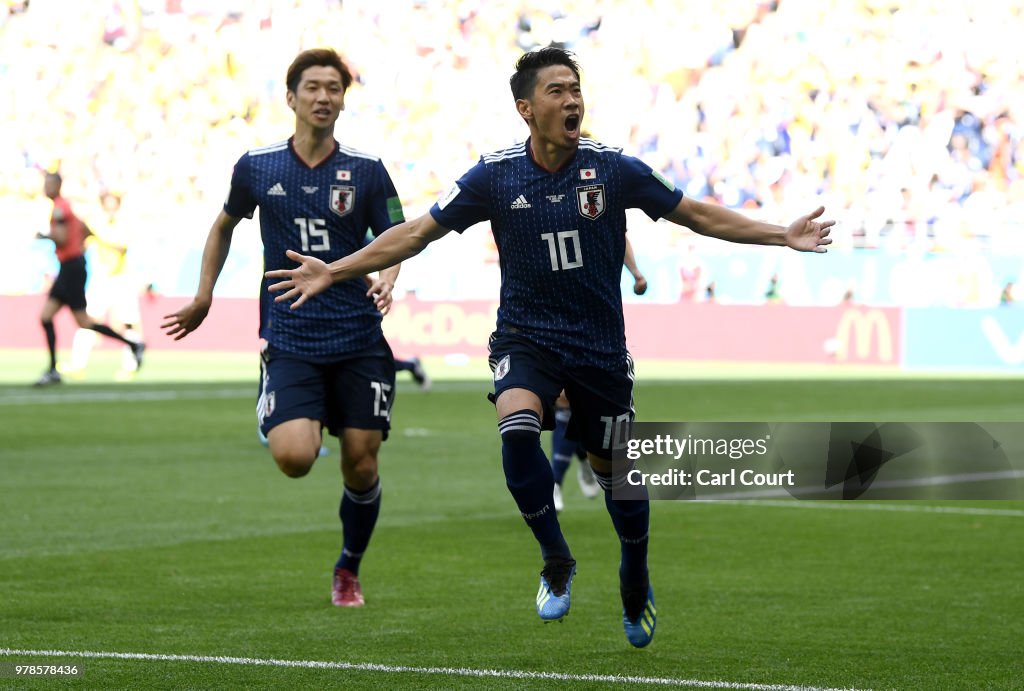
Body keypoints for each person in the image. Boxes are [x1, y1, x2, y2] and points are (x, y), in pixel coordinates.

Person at [265, 46, 833, 646]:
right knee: (515, 432)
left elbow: (695, 215)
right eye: (557, 91)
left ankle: (634, 571)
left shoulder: (614, 168)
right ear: (526, 108)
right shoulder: (495, 173)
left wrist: (780, 235)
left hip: (599, 349)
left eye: (575, 88)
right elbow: (416, 233)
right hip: (525, 338)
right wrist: (337, 270)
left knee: (619, 480)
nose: (572, 100)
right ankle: (557, 558)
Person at [161, 48, 407, 608]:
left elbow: (395, 236)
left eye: (334, 88)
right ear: (290, 97)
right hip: (293, 336)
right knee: (295, 458)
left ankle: (349, 567)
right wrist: (204, 296)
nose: (324, 97)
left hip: (359, 338)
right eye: (313, 87)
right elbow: (223, 226)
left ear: (345, 99)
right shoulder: (258, 166)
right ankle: (274, 390)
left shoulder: (366, 170)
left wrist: (387, 278)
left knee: (361, 461)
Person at [552, 236, 644, 511]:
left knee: (586, 414)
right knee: (563, 402)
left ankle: (583, 456)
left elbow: (619, 231)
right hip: (549, 319)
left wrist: (636, 273)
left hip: (596, 328)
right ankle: (554, 482)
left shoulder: (595, 199)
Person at [34, 172, 145, 386]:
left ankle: (132, 345)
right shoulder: (66, 208)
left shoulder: (60, 208)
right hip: (71, 267)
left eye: (49, 184)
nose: (45, 188)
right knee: (47, 317)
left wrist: (45, 235)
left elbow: (63, 237)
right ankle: (53, 369)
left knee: (84, 322)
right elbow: (82, 230)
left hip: (73, 269)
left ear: (57, 185)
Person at [65, 190, 144, 381]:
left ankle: (130, 366)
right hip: (101, 279)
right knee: (87, 320)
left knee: (127, 323)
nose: (109, 207)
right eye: (106, 203)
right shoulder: (97, 222)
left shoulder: (125, 223)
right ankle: (77, 365)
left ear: (118, 204)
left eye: (112, 203)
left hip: (121, 278)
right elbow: (83, 240)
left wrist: (96, 235)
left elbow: (121, 245)